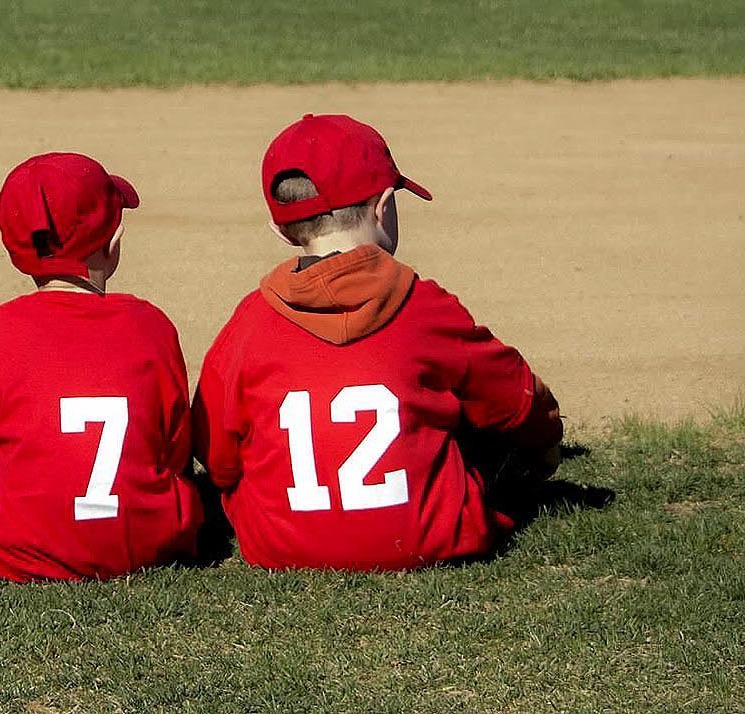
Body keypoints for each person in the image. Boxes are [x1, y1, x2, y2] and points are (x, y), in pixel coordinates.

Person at [192, 115, 562, 571]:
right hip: (431, 540)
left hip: (278, 547)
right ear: (384, 206)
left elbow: (218, 458)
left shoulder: (250, 320)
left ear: (281, 231)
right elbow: (521, 402)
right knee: (481, 423)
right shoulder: (425, 306)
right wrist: (546, 444)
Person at [0, 152, 203, 582]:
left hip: (25, 544)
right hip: (147, 537)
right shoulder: (152, 325)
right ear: (113, 242)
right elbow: (175, 459)